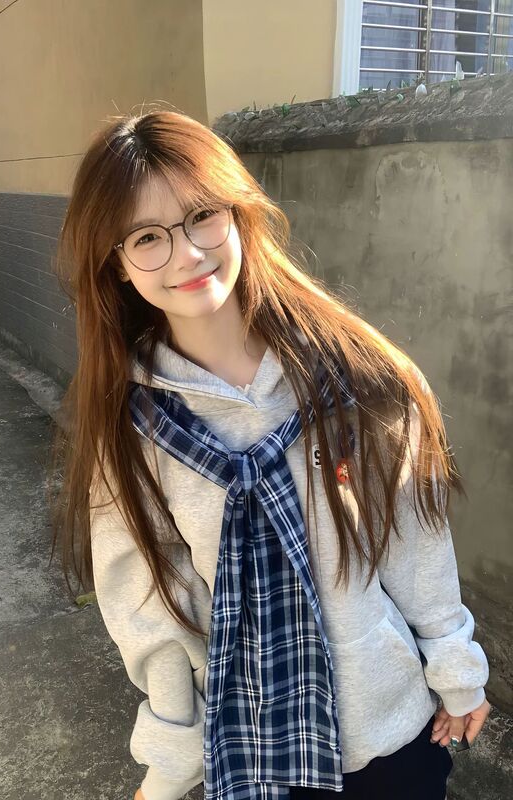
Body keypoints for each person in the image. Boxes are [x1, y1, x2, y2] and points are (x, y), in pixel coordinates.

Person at [49, 110, 491, 800]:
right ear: (118, 263)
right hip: (253, 753)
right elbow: (153, 609)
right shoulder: (130, 428)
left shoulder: (352, 375)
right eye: (147, 237)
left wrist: (456, 669)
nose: (186, 254)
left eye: (201, 217)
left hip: (389, 732)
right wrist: (170, 760)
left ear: (238, 213)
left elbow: (413, 535)